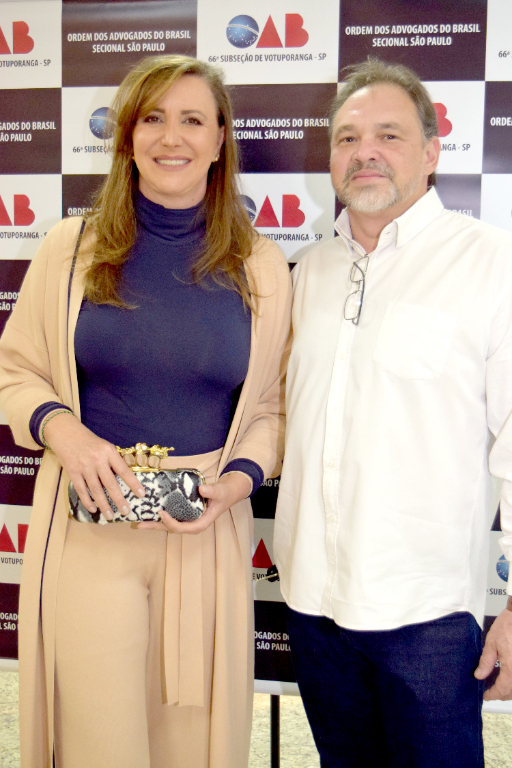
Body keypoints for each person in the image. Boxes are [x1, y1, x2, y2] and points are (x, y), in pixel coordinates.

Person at [0, 55, 291, 768]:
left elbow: (274, 408)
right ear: (127, 136)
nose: (172, 137)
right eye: (152, 118)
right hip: (89, 529)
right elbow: (17, 373)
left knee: (191, 740)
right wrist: (64, 434)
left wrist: (238, 481)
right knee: (100, 740)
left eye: (193, 119)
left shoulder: (261, 266)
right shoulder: (68, 251)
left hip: (204, 529)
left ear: (221, 139)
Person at [274, 57, 512, 768]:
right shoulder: (310, 270)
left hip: (428, 616)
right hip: (315, 603)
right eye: (346, 137)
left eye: (389, 134)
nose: (364, 152)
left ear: (434, 152)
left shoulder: (489, 265)